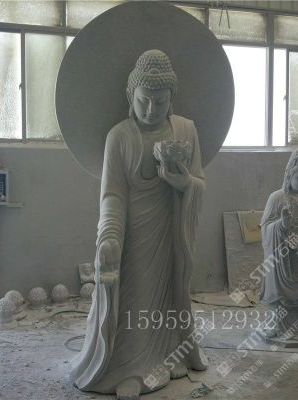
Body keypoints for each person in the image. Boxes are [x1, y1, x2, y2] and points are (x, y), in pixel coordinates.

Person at [71, 50, 207, 399]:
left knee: (168, 296)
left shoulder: (186, 131)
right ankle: (128, 368)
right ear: (131, 95)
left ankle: (169, 355)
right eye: (144, 101)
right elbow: (112, 195)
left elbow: (199, 183)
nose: (151, 109)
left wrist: (185, 184)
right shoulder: (119, 137)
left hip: (170, 232)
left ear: (172, 98)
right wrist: (110, 235)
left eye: (160, 102)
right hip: (132, 235)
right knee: (133, 300)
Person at [260, 149, 298, 339]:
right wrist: (282, 224)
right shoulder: (277, 198)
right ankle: (278, 325)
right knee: (283, 294)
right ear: (289, 175)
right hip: (284, 257)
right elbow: (266, 227)